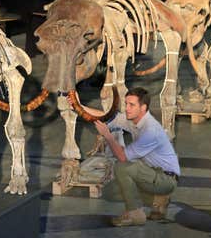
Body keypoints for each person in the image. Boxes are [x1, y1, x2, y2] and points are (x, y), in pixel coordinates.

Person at [73, 87, 180, 227]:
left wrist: (108, 136)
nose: (127, 108)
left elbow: (122, 158)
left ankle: (136, 214)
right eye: (126, 104)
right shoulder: (135, 120)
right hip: (155, 173)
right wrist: (78, 106)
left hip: (166, 179)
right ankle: (158, 200)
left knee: (122, 168)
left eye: (132, 105)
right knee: (116, 188)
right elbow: (105, 117)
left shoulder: (150, 130)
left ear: (143, 108)